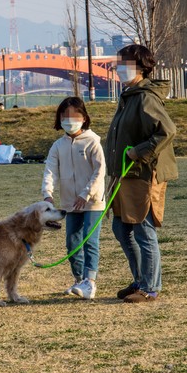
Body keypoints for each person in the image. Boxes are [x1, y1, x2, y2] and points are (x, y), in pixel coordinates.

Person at [104, 44, 178, 303]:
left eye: (124, 63)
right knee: (121, 228)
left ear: (140, 67)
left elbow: (167, 131)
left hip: (143, 173)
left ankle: (150, 287)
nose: (119, 68)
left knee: (143, 230)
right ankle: (139, 280)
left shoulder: (146, 97)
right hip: (125, 175)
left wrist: (138, 152)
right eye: (119, 63)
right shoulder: (130, 95)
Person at [42, 97, 106, 300]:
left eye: (74, 115)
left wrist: (85, 193)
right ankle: (79, 279)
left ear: (84, 117)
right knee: (72, 242)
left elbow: (100, 171)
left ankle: (90, 281)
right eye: (65, 116)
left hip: (92, 201)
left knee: (89, 240)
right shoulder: (58, 145)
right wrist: (48, 195)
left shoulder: (92, 142)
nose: (69, 120)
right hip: (70, 202)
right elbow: (50, 171)